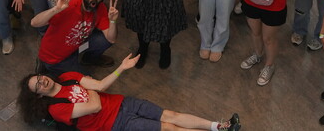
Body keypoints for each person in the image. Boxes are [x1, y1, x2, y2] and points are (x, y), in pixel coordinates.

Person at [18, 55, 241, 130]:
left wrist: (121, 68)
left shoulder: (67, 77)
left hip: (123, 103)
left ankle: (219, 126)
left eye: (39, 78)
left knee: (170, 115)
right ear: (39, 95)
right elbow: (95, 104)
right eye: (37, 86)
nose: (42, 82)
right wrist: (89, 87)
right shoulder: (57, 108)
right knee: (169, 128)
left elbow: (102, 85)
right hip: (116, 124)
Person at [32, 0, 117, 74]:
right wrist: (55, 10)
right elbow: (34, 22)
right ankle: (47, 68)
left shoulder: (100, 8)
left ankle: (88, 59)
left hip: (76, 48)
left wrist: (113, 21)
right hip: (56, 58)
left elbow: (111, 39)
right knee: (86, 80)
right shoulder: (69, 6)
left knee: (103, 41)